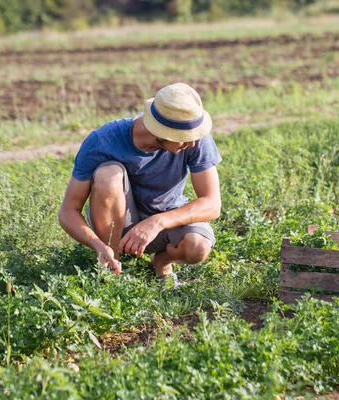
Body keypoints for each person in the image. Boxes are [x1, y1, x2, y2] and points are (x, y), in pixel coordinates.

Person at [58, 83, 222, 280]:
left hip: (166, 221)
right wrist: (98, 245)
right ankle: (111, 265)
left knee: (198, 247)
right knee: (108, 174)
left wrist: (157, 222)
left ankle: (161, 262)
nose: (192, 143)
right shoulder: (103, 141)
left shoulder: (195, 137)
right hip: (117, 225)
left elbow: (212, 204)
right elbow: (69, 210)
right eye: (183, 137)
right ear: (159, 132)